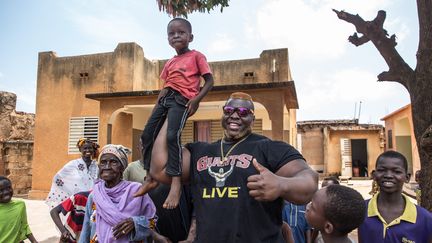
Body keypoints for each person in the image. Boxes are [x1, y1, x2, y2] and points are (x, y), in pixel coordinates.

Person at [137, 92, 318, 242]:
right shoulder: (200, 151)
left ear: (252, 117)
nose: (235, 115)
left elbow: (309, 181)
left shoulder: (269, 148)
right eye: (229, 110)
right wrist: (173, 113)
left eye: (242, 111)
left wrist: (281, 184)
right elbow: (160, 169)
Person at [139, 17, 214, 209]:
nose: (176, 36)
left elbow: (209, 81)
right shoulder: (170, 62)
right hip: (166, 99)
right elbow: (165, 87)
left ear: (191, 36)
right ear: (167, 39)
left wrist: (196, 99)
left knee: (172, 137)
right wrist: (157, 108)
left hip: (182, 101)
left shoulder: (197, 56)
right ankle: (149, 176)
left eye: (181, 32)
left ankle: (176, 182)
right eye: (172, 33)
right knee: (146, 135)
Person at [79, 144, 157, 243]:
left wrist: (135, 222)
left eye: (113, 162)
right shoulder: (94, 195)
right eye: (103, 162)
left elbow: (152, 221)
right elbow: (86, 230)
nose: (107, 166)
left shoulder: (136, 191)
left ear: (122, 167)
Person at [123, 141, 194, 243]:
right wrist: (155, 235)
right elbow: (141, 213)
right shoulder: (145, 182)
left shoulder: (182, 175)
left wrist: (190, 237)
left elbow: (196, 208)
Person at [358, 151, 432, 243]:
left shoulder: (425, 219)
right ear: (374, 175)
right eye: (382, 170)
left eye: (396, 171)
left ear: (407, 177)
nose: (388, 175)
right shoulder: (359, 211)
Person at [46, 138, 99, 209]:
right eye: (85, 148)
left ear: (93, 150)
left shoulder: (97, 165)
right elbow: (58, 178)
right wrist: (70, 193)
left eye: (90, 148)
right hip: (78, 201)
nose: (88, 150)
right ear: (80, 150)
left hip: (94, 200)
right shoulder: (73, 164)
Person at [0, 176, 38, 243]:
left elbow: (24, 226)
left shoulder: (20, 205)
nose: (6, 192)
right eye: (1, 190)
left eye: (9, 188)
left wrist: (34, 241)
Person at [311, 176, 340, 243]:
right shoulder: (319, 206)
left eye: (329, 189)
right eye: (323, 189)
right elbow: (316, 227)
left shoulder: (342, 207)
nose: (325, 192)